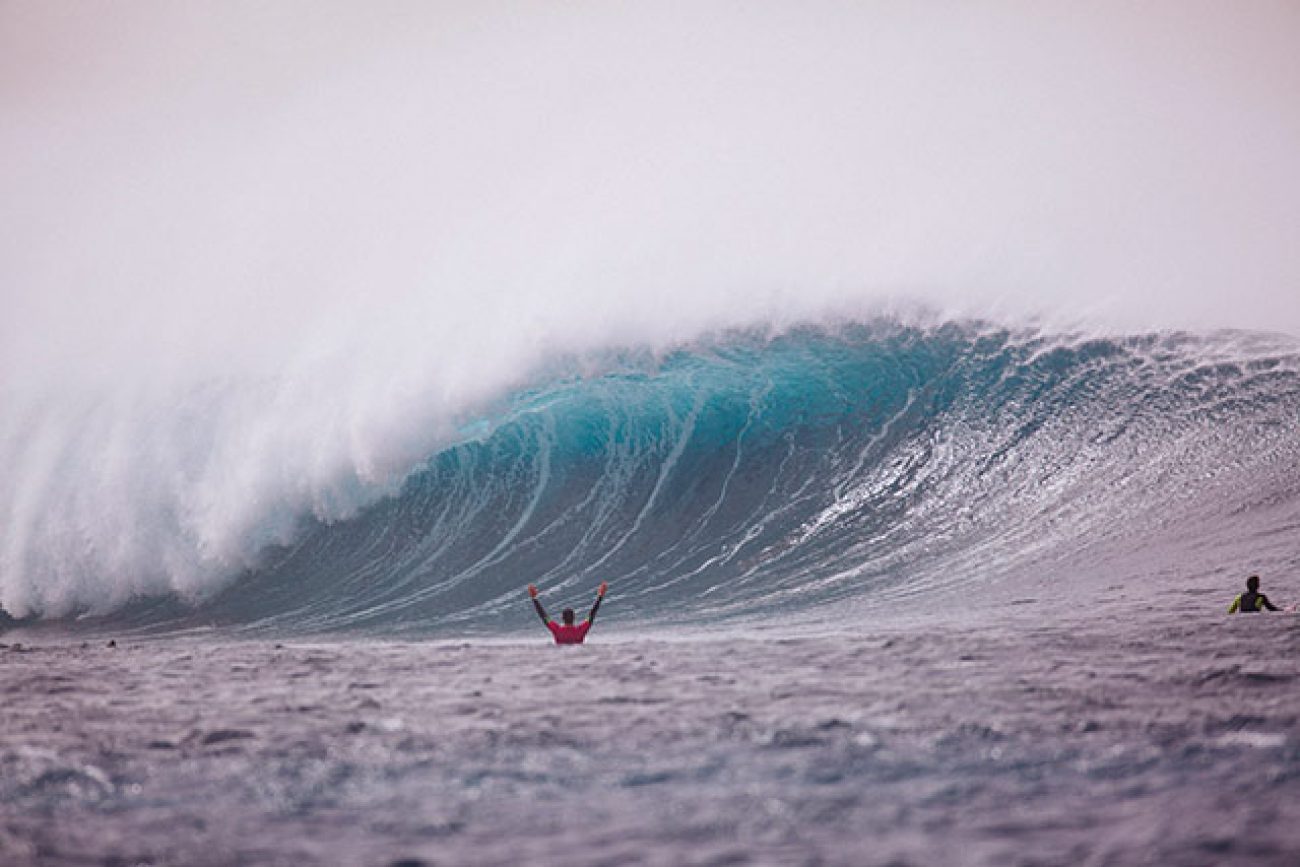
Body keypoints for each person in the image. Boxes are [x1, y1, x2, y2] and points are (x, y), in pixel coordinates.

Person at [529, 582, 607, 644]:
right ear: (574, 617)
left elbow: (544, 616)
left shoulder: (557, 630)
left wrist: (534, 598)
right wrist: (600, 597)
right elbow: (591, 615)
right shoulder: (580, 631)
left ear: (562, 618)